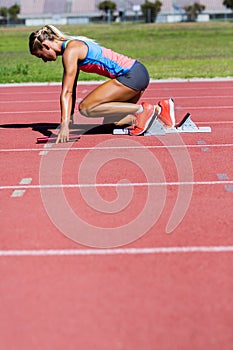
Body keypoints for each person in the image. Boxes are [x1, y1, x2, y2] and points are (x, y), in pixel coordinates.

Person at [29, 24, 175, 143]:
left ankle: (142, 110)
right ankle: (160, 110)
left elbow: (67, 92)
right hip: (138, 72)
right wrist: (69, 120)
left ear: (45, 45)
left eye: (41, 56)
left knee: (87, 108)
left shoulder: (71, 51)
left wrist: (65, 126)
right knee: (114, 123)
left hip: (131, 75)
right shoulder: (72, 48)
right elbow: (71, 89)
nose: (44, 60)